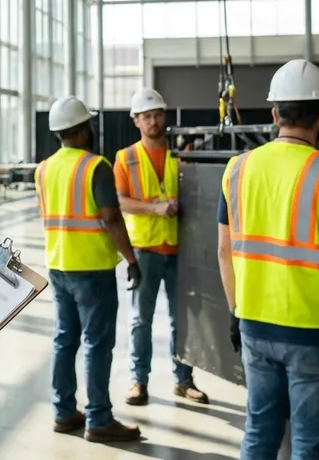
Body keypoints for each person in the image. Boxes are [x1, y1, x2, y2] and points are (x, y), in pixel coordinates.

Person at [217, 59, 319, 459]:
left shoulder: (237, 169)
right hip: (314, 334)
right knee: (309, 443)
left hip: (255, 324)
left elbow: (225, 252)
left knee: (259, 432)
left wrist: (235, 312)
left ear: (274, 114)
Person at [38, 95, 143, 444]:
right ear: (82, 131)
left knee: (64, 340)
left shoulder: (44, 169)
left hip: (58, 265)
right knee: (97, 344)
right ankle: (98, 418)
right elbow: (111, 218)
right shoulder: (95, 166)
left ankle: (64, 412)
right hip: (92, 269)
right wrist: (131, 259)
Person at [114, 88, 208, 407]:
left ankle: (184, 381)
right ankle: (138, 381)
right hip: (145, 249)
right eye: (147, 116)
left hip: (180, 250)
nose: (154, 121)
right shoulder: (125, 158)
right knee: (142, 319)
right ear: (136, 121)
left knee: (181, 319)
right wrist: (155, 209)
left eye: (157, 115)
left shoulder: (180, 155)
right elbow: (120, 201)